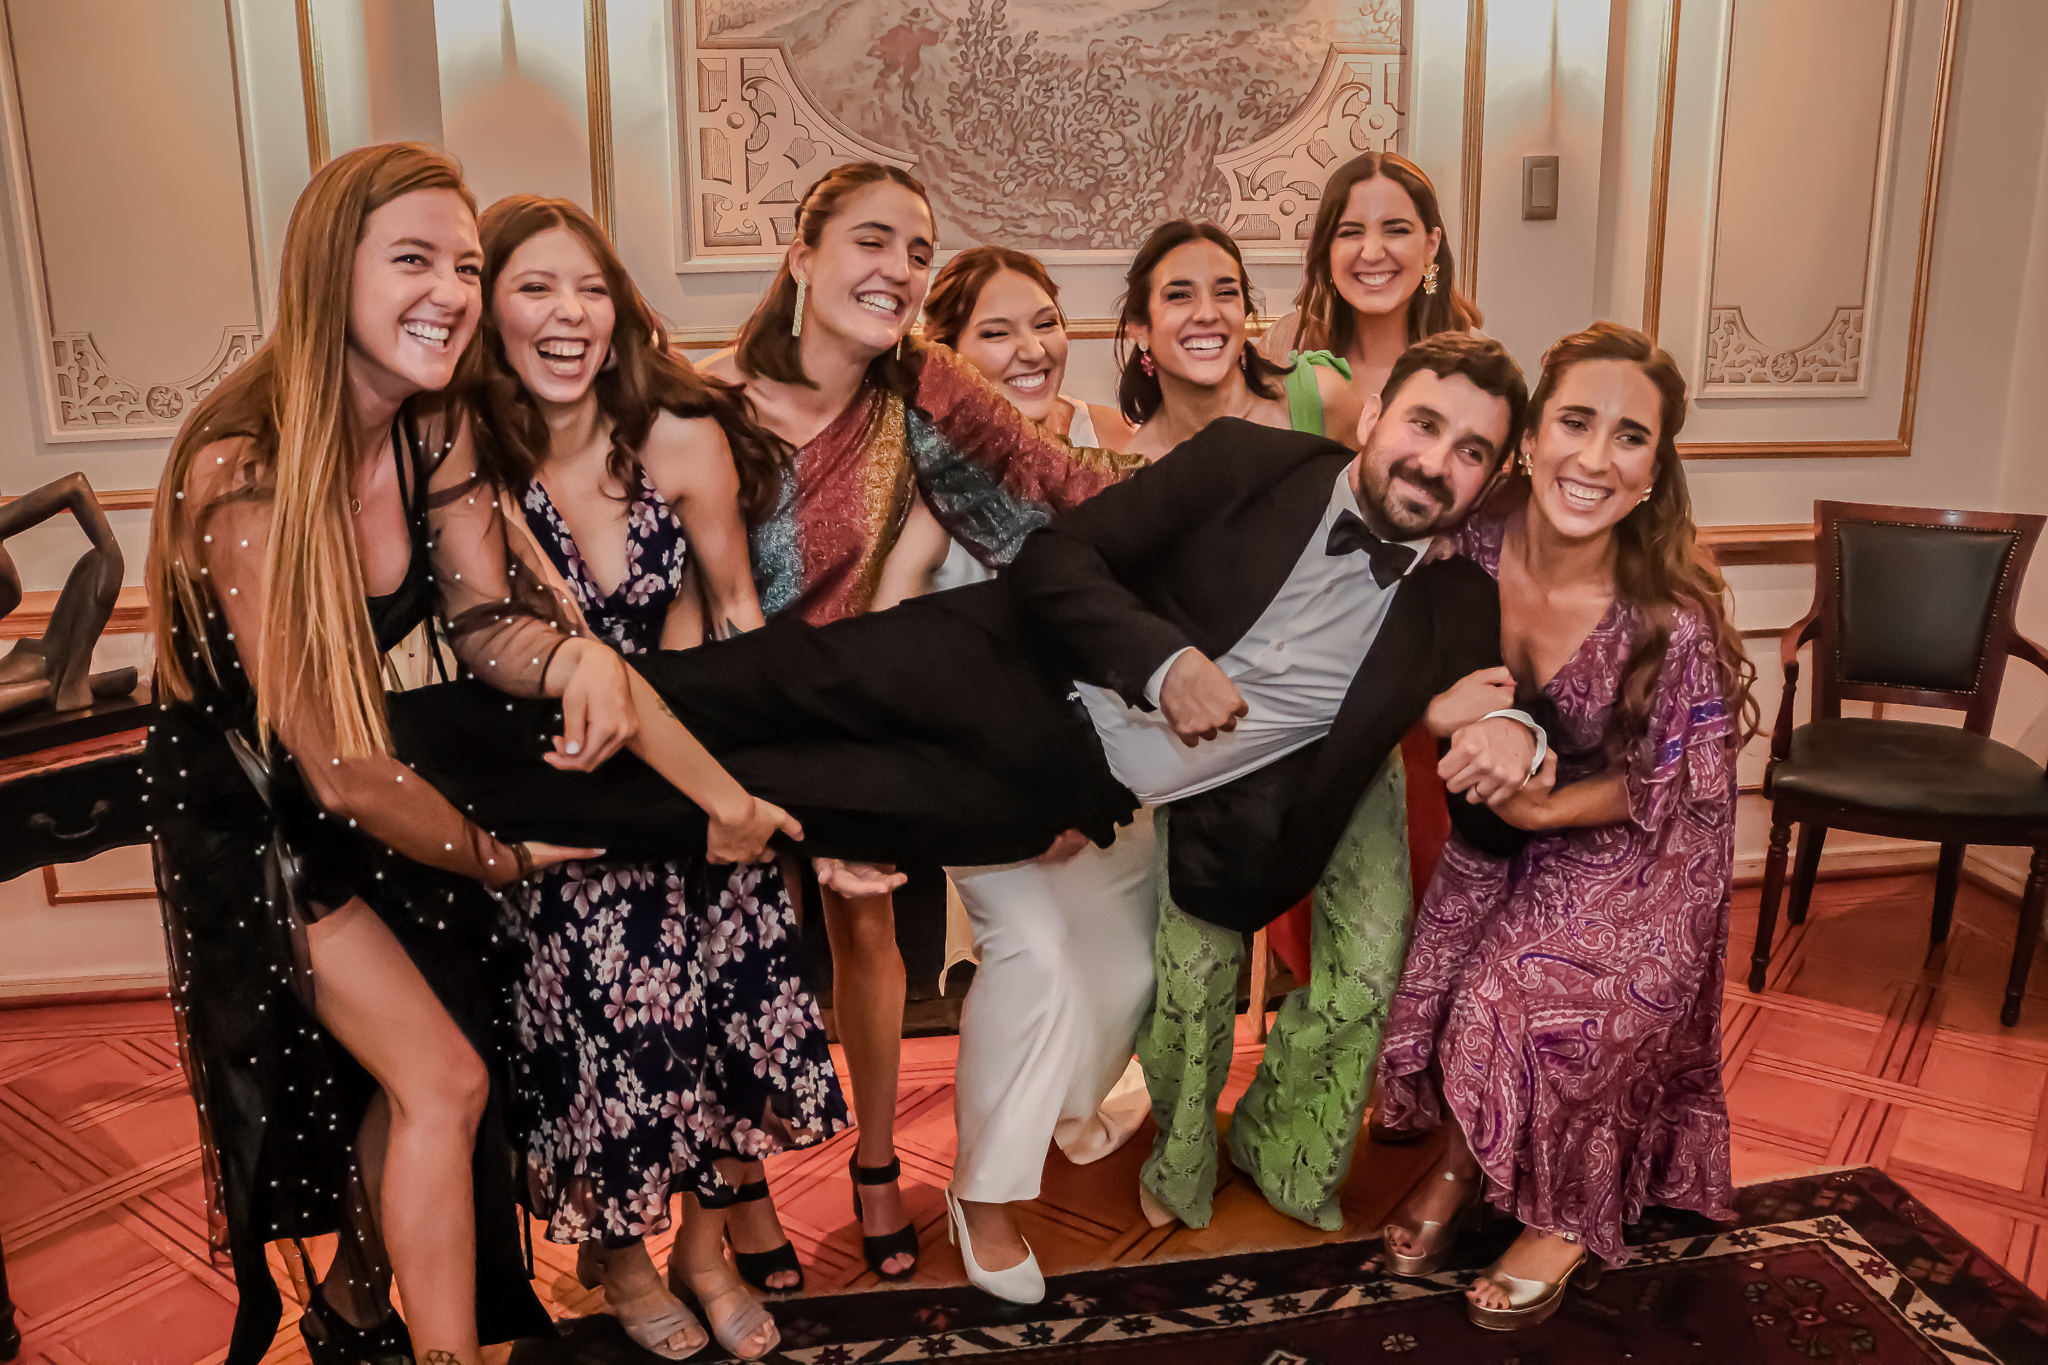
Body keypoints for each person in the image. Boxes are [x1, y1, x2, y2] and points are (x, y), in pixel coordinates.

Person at [386, 332, 1551, 1288]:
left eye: (1468, 451)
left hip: (1063, 794)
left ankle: (460, 819)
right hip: (999, 665)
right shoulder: (1253, 460)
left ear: (1492, 476)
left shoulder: (1451, 605)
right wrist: (1161, 664)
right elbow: (1057, 564)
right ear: (1374, 412)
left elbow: (1498, 784)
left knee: (779, 801)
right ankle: (399, 747)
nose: (1433, 461)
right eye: (1422, 424)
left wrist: (1506, 740)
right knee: (740, 691)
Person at [145, 143, 798, 1365]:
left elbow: (488, 625)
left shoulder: (431, 421)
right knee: (440, 1080)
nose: (449, 292)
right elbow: (328, 767)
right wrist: (494, 857)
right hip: (259, 813)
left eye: (461, 265)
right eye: (413, 261)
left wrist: (575, 660)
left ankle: (357, 1312)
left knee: (434, 1080)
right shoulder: (240, 463)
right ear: (327, 272)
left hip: (383, 781)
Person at [693, 163, 1146, 1281]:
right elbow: (691, 598)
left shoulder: (922, 388)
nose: (897, 268)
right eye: (871, 240)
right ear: (801, 255)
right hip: (727, 712)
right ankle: (740, 1189)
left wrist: (1223, 490)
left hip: (862, 717)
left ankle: (878, 1162)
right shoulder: (705, 403)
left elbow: (1057, 489)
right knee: (737, 947)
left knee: (869, 936)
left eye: (916, 250)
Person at [469, 194, 848, 1359]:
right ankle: (624, 1262)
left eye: (590, 287)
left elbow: (734, 615)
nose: (569, 313)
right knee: (607, 1046)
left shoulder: (677, 436)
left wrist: (764, 787)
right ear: (486, 311)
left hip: (696, 783)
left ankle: (702, 1250)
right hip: (565, 799)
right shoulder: (467, 466)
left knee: (732, 1028)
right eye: (536, 287)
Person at [1375, 322, 1754, 1330]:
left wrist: (1544, 805)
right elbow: (1385, 650)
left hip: (1640, 853)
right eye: (1576, 423)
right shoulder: (1467, 538)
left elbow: (1677, 783)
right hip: (1504, 835)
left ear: (1652, 471)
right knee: (1439, 981)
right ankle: (1466, 1162)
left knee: (1511, 999)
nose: (1593, 458)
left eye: (1629, 437)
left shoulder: (1666, 613)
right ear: (1532, 434)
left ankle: (1563, 1215)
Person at [874, 243, 1132, 607]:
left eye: (1046, 324)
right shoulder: (919, 480)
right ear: (947, 354)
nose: (1034, 351)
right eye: (997, 333)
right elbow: (882, 627)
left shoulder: (1117, 438)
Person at [1116, 220, 1362, 461]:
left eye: (1225, 293)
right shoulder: (1139, 467)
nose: (1208, 314)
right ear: (1139, 329)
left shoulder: (1321, 399)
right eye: (1179, 295)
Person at [1258, 151, 1478, 412]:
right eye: (1350, 232)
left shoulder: (1479, 363)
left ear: (1431, 245)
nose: (1372, 253)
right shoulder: (1282, 346)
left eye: (1396, 230)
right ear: (1327, 249)